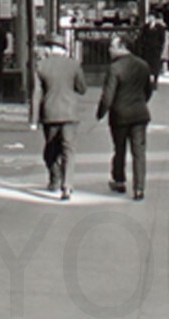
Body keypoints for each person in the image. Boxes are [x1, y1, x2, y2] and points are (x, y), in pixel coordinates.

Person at [97, 33, 153, 200]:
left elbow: (108, 95)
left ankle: (119, 180)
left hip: (119, 115)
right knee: (139, 152)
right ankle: (139, 188)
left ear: (122, 47)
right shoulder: (143, 65)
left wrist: (101, 112)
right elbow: (148, 90)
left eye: (112, 46)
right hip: (139, 114)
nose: (109, 49)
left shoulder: (114, 68)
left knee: (119, 148)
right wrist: (140, 102)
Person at [31, 35, 86, 200]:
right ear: (64, 48)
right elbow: (82, 88)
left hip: (50, 114)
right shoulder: (74, 65)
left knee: (51, 150)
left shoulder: (41, 66)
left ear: (50, 48)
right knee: (69, 150)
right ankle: (67, 186)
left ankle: (55, 178)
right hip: (70, 114)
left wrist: (34, 120)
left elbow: (36, 94)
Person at [137, 14, 169, 90]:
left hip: (155, 50)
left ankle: (155, 82)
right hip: (147, 50)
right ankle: (147, 83)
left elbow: (162, 39)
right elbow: (142, 37)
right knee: (147, 66)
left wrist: (159, 47)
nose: (150, 19)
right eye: (149, 17)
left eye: (151, 17)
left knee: (155, 66)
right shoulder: (146, 27)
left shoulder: (159, 28)